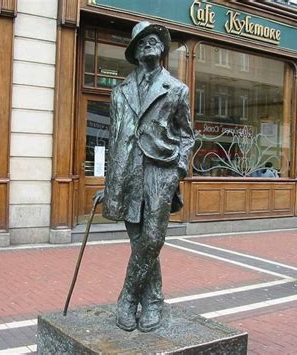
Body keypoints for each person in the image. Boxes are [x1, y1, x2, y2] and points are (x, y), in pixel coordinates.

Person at [94, 21, 195, 332]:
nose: (149, 44)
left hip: (161, 170)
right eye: (142, 42)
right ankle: (152, 300)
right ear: (135, 53)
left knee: (153, 238)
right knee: (140, 241)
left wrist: (178, 170)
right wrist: (109, 184)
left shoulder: (177, 89)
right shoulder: (119, 92)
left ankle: (127, 298)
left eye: (154, 40)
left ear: (162, 49)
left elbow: (188, 137)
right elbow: (115, 137)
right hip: (127, 173)